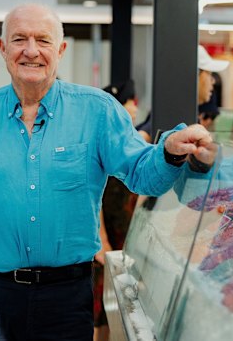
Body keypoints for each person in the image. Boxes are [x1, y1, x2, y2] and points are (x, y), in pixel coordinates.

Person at [0, 3, 215, 341]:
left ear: (61, 50)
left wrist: (169, 151)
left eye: (43, 40)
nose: (31, 51)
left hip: (66, 297)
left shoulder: (97, 111)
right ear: (2, 48)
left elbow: (142, 173)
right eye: (19, 39)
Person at [93, 79, 141, 341]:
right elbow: (94, 195)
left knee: (109, 306)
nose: (135, 108)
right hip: (106, 238)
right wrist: (101, 239)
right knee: (99, 302)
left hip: (120, 235)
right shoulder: (104, 141)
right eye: (129, 102)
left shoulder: (128, 139)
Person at [135, 45, 228, 140]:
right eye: (209, 74)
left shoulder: (182, 111)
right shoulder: (175, 113)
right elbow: (140, 139)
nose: (213, 81)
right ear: (195, 75)